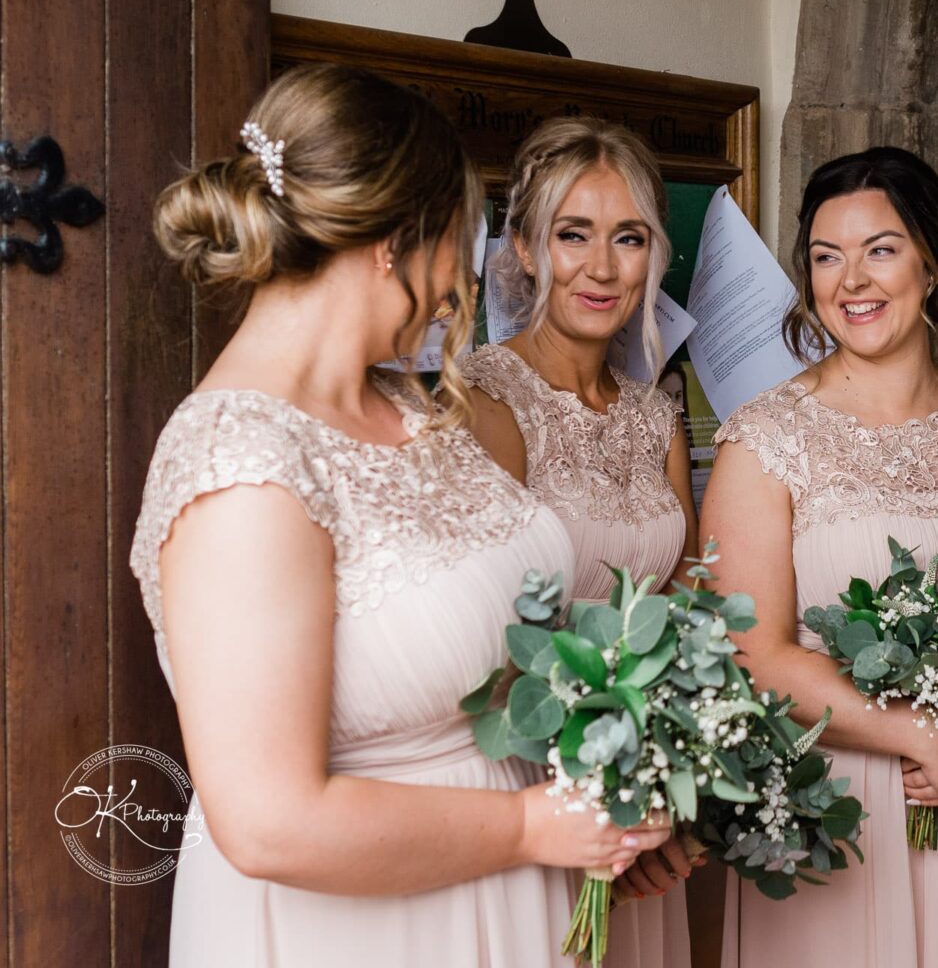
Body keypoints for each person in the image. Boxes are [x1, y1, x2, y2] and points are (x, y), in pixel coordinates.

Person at [130, 64, 670, 968]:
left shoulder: (413, 406)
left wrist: (601, 793)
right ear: (400, 240)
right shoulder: (240, 461)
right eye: (461, 238)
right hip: (361, 929)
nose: (462, 280)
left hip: (517, 897)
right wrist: (530, 826)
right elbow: (271, 822)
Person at [701, 147, 938, 967]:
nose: (851, 280)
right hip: (837, 793)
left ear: (932, 265)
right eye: (827, 257)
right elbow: (752, 652)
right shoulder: (765, 442)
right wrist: (925, 734)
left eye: (881, 249)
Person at [460, 116, 699, 968]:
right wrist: (591, 784)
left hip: (639, 783)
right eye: (574, 235)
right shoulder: (485, 400)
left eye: (628, 238)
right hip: (534, 771)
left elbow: (683, 609)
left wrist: (664, 790)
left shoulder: (656, 413)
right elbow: (485, 634)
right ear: (524, 249)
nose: (603, 268)